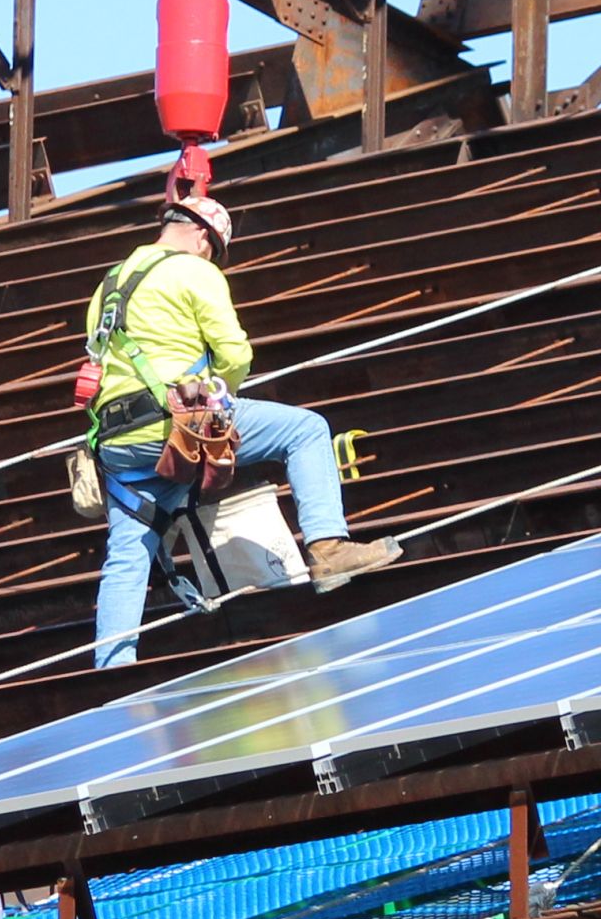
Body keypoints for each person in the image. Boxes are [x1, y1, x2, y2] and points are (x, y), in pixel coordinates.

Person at [80, 191, 398, 669]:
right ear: (203, 237)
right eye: (214, 250)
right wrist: (220, 399)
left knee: (127, 555)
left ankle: (111, 669)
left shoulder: (109, 284)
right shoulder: (194, 270)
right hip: (177, 421)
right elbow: (234, 353)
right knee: (306, 430)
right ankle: (328, 549)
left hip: (118, 441)